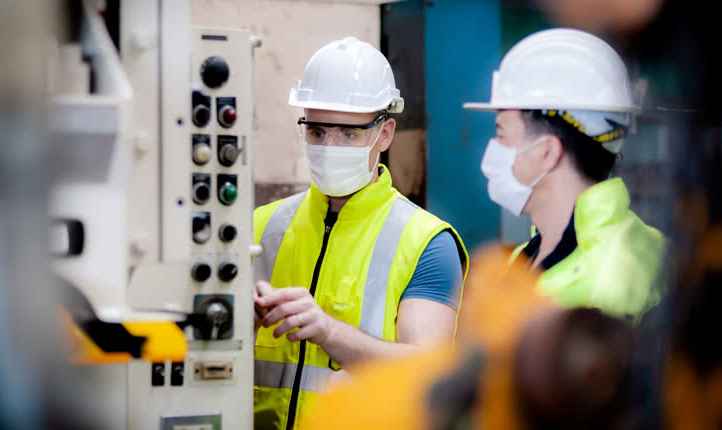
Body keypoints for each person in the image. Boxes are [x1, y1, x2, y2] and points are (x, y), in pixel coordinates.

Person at [252, 36, 469, 429]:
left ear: (384, 134)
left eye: (348, 134)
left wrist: (328, 332)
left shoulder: (426, 242)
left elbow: (431, 371)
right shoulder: (261, 226)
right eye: (317, 131)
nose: (329, 145)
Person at [463, 28, 665, 323]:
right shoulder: (527, 255)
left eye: (501, 134)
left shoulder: (612, 275)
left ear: (547, 152)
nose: (493, 150)